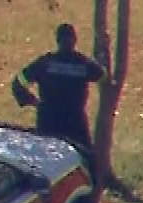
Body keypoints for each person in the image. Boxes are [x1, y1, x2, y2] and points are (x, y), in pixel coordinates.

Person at [11, 23, 106, 151]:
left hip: (48, 120)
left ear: (57, 40)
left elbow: (18, 82)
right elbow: (102, 75)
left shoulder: (45, 63)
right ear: (75, 40)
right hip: (75, 122)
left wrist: (30, 100)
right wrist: (102, 53)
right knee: (82, 159)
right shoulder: (83, 64)